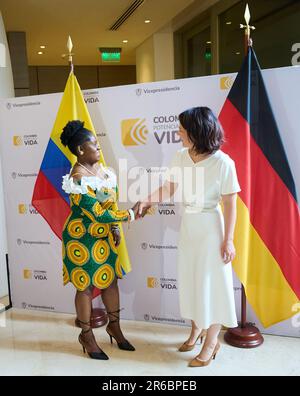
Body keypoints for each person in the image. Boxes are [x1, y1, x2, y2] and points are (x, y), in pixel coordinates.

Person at [139, 107, 240, 367]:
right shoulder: (181, 157)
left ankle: (211, 343)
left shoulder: (223, 163)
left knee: (212, 286)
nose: (178, 134)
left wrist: (228, 240)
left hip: (211, 229)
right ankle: (196, 330)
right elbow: (168, 188)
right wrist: (146, 200)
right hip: (189, 227)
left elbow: (231, 204)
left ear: (197, 132)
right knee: (192, 282)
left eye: (182, 130)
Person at [60, 120, 141, 360]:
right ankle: (87, 335)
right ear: (80, 150)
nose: (99, 148)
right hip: (81, 240)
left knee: (110, 282)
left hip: (103, 237)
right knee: (84, 287)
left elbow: (109, 204)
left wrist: (115, 226)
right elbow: (96, 212)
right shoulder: (77, 179)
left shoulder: (104, 171)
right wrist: (131, 214)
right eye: (94, 145)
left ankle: (114, 327)